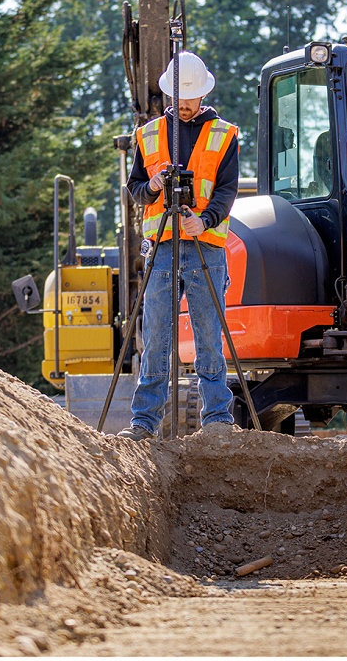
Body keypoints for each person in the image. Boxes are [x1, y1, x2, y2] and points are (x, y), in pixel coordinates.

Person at [117, 51, 239, 441]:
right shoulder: (149, 134)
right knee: (155, 336)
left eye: (191, 99)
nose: (185, 106)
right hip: (164, 246)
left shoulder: (224, 134)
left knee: (208, 335)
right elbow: (135, 189)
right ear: (169, 95)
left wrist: (204, 220)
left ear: (202, 95)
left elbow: (227, 191)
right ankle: (144, 423)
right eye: (179, 99)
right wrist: (152, 186)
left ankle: (218, 419)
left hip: (206, 246)